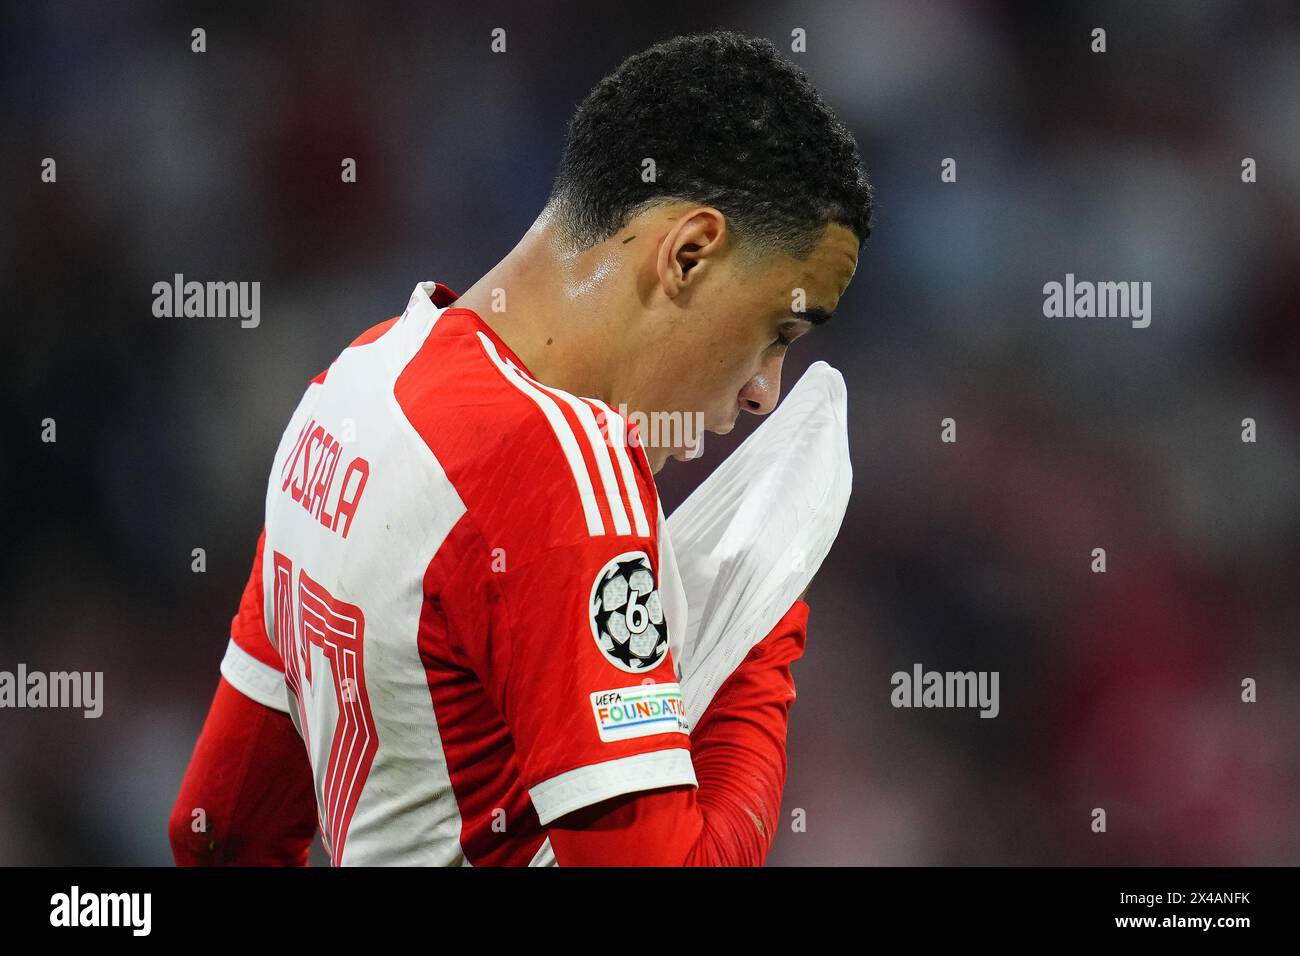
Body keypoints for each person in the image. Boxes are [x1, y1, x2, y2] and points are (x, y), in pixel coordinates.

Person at [169, 29, 872, 866]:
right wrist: (759, 615)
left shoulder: (351, 388)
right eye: (778, 330)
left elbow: (218, 828)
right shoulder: (562, 469)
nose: (765, 390)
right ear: (688, 254)